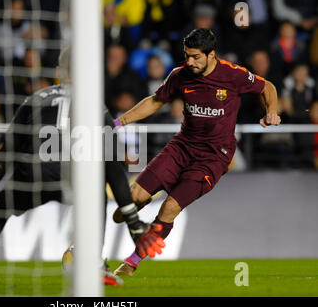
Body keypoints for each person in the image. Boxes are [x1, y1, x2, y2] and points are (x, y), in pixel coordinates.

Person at [0, 47, 165, 288]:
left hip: (34, 175)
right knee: (97, 193)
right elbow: (113, 167)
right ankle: (94, 263)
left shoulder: (34, 99)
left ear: (59, 72)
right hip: (75, 178)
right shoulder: (95, 107)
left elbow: (4, 156)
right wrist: (134, 224)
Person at [112, 28, 281, 276]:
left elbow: (268, 88)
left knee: (169, 207)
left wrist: (271, 111)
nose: (189, 61)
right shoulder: (180, 74)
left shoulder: (233, 75)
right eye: (187, 55)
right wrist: (119, 122)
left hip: (214, 156)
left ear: (211, 55)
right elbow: (156, 101)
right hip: (182, 145)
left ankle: (132, 262)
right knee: (134, 196)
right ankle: (133, 207)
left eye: (195, 57)